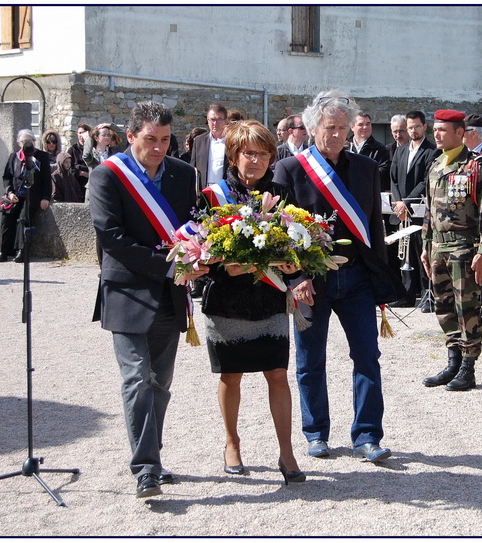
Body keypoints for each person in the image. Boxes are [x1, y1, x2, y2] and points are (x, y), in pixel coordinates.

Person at [272, 89, 405, 463]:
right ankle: (316, 433)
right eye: (330, 127)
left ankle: (367, 436)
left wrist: (381, 277)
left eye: (343, 128)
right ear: (314, 128)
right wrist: (295, 276)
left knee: (367, 356)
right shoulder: (290, 170)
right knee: (310, 360)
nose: (336, 135)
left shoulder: (365, 168)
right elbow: (281, 232)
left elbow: (374, 229)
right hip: (311, 282)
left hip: (357, 279)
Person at [89, 100, 209, 498]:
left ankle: (150, 456)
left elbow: (195, 224)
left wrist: (203, 252)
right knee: (136, 378)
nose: (158, 148)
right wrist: (170, 267)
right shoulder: (107, 176)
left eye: (165, 139)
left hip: (169, 295)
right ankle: (146, 468)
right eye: (149, 139)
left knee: (160, 382)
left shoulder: (182, 173)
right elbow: (112, 238)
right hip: (125, 290)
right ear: (130, 136)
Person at [199, 120, 305, 484]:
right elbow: (199, 251)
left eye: (264, 154)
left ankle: (287, 453)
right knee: (232, 374)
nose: (256, 161)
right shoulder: (212, 196)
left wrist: (295, 266)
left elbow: (296, 243)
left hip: (269, 298)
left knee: (277, 373)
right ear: (233, 155)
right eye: (249, 153)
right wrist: (219, 270)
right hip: (227, 301)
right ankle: (232, 443)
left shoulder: (281, 194)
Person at [419, 110, 482, 391]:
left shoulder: (476, 166)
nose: (437, 134)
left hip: (464, 248)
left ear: (460, 133)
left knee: (467, 308)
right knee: (443, 306)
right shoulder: (436, 164)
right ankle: (453, 360)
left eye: (443, 130)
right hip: (438, 246)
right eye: (436, 129)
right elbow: (429, 210)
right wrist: (426, 247)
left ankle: (468, 366)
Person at [388, 110, 440, 309]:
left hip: (419, 211)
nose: (413, 131)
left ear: (424, 127)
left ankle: (428, 294)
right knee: (405, 254)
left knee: (422, 253)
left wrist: (406, 203)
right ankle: (406, 295)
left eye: (417, 126)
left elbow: (425, 180)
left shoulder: (432, 151)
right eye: (410, 127)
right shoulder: (400, 150)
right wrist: (398, 203)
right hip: (401, 211)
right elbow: (393, 178)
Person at [0, 129, 52, 263]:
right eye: (24, 141)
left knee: (24, 218)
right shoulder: (14, 157)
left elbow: (46, 179)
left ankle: (22, 251)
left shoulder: (41, 156)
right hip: (15, 195)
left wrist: (45, 197)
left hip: (32, 196)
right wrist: (9, 192)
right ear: (19, 143)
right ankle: (5, 251)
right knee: (7, 217)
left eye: (30, 141)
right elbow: (7, 177)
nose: (28, 144)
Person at [190, 103, 229, 187]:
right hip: (204, 191)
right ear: (207, 121)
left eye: (219, 119)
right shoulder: (199, 141)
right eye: (212, 119)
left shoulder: (232, 142)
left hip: (226, 191)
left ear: (226, 121)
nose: (215, 123)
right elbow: (193, 168)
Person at [345, 112, 389, 180]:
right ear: (352, 127)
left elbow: (384, 173)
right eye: (361, 124)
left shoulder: (380, 149)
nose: (365, 127)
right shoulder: (344, 148)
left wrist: (360, 172)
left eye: (368, 124)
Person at [67, 123, 91, 198]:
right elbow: (68, 168)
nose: (81, 135)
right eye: (80, 133)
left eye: (83, 132)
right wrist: (82, 173)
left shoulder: (93, 149)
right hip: (77, 184)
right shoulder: (72, 150)